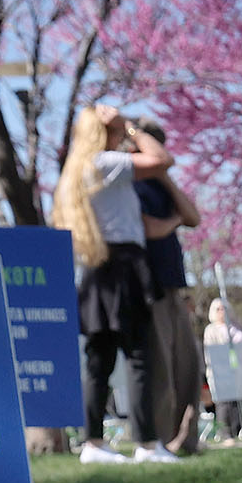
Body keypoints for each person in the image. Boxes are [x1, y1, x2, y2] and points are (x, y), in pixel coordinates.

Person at [54, 105, 165, 464]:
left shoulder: (78, 170)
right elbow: (162, 160)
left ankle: (94, 444)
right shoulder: (106, 163)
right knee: (138, 357)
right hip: (124, 265)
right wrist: (131, 129)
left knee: (98, 363)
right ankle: (147, 444)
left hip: (95, 268)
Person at [126, 119, 207, 462]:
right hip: (148, 287)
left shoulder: (161, 186)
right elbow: (153, 229)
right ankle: (157, 442)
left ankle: (185, 440)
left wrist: (166, 180)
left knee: (189, 366)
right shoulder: (127, 183)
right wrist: (175, 220)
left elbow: (193, 216)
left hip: (174, 287)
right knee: (159, 370)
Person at [202, 297, 242, 443]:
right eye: (218, 309)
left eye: (224, 308)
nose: (221, 312)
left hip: (241, 369)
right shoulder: (211, 330)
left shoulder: (238, 326)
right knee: (225, 403)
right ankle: (226, 434)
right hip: (222, 371)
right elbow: (211, 352)